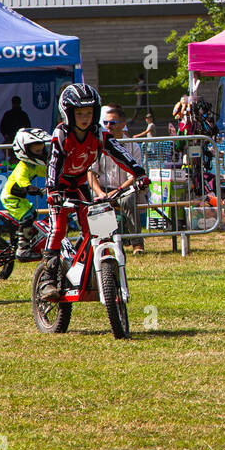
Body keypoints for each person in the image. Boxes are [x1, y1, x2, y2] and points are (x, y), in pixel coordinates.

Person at [40, 84, 148, 298]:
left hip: (80, 185)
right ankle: (47, 280)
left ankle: (97, 270)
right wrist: (52, 190)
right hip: (60, 187)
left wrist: (139, 173)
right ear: (69, 114)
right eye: (79, 113)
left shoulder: (98, 133)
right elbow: (54, 162)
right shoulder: (61, 134)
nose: (84, 118)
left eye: (89, 113)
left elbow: (119, 152)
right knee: (58, 228)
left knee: (101, 227)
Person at [90, 106, 146, 253]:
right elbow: (91, 173)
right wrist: (101, 193)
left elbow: (135, 176)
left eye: (112, 123)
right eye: (105, 123)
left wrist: (118, 191)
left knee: (128, 200)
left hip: (125, 189)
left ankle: (137, 244)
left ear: (123, 124)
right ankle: (105, 245)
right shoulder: (98, 145)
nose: (108, 126)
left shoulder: (133, 146)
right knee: (96, 201)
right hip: (103, 189)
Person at [2, 127, 52, 261]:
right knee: (27, 218)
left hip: (20, 198)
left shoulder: (34, 165)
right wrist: (37, 190)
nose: (40, 153)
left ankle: (24, 239)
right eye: (36, 151)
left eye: (41, 150)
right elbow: (25, 185)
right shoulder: (22, 167)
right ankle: (23, 249)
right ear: (25, 150)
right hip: (11, 198)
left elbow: (47, 172)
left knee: (33, 213)